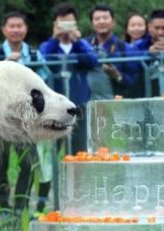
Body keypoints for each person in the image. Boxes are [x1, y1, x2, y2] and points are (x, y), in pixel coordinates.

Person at [37, 3, 98, 211]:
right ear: (55, 23)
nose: (65, 25)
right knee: (49, 156)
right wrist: (55, 39)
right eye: (61, 21)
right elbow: (42, 60)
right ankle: (43, 200)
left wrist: (77, 40)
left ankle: (80, 198)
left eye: (69, 21)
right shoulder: (48, 45)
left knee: (80, 153)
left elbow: (93, 61)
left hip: (78, 105)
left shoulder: (81, 44)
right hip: (52, 108)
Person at [0, 11, 44, 218]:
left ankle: (21, 208)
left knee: (28, 164)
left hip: (27, 120)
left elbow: (45, 82)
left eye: (20, 26)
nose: (16, 30)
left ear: (26, 29)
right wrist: (6, 66)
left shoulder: (36, 55)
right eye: (12, 26)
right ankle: (2, 210)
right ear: (4, 29)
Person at [85, 4, 142, 100]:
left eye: (105, 18)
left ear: (113, 22)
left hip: (116, 102)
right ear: (92, 23)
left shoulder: (125, 48)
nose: (101, 21)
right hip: (86, 103)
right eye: (97, 19)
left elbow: (134, 82)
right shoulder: (84, 46)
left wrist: (117, 75)